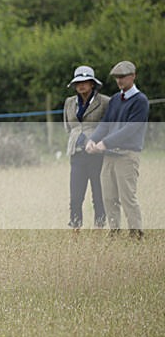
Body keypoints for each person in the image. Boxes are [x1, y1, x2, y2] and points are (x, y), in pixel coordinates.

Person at [85, 60, 149, 239]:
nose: (119, 81)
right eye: (116, 78)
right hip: (109, 156)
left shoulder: (140, 101)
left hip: (127, 155)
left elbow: (130, 129)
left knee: (127, 197)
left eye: (122, 77)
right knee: (109, 197)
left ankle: (136, 234)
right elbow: (105, 124)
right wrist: (93, 139)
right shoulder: (114, 100)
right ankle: (114, 232)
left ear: (133, 76)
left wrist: (105, 143)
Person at [63, 65, 110, 231]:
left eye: (85, 82)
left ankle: (99, 227)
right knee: (76, 196)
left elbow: (108, 127)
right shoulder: (69, 102)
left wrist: (96, 142)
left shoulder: (105, 102)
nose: (81, 85)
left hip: (97, 154)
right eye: (78, 82)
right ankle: (75, 227)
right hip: (77, 154)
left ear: (92, 83)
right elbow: (69, 127)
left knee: (98, 194)